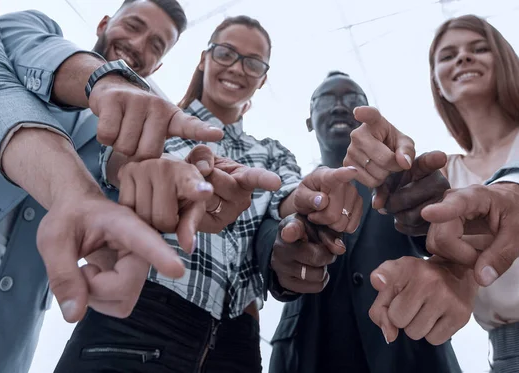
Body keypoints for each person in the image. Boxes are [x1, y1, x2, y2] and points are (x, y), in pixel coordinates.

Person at [54, 16, 363, 373]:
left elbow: (288, 198)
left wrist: (313, 194)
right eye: (226, 53)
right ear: (204, 58)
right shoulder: (160, 115)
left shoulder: (271, 152)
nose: (237, 68)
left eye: (253, 63)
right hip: (137, 317)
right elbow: (117, 162)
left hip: (236, 340)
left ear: (262, 79)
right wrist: (153, 171)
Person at [0, 1, 228, 372]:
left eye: (156, 45)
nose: (139, 43)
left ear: (158, 66)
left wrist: (172, 178)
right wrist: (105, 81)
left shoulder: (124, 138)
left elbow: (121, 181)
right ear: (104, 23)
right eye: (134, 25)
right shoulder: (24, 33)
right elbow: (21, 53)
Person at [345, 14, 519, 373]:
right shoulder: (447, 171)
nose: (463, 58)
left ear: (505, 61)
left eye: (479, 49)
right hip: (508, 359)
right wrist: (388, 174)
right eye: (448, 55)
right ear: (437, 83)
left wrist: (463, 271)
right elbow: (448, 247)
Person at [255, 71, 463, 373]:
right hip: (308, 354)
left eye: (352, 100)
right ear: (309, 120)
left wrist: (430, 211)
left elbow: (433, 237)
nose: (340, 106)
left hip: (408, 354)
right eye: (326, 99)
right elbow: (263, 240)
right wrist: (277, 255)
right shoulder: (287, 191)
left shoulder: (402, 184)